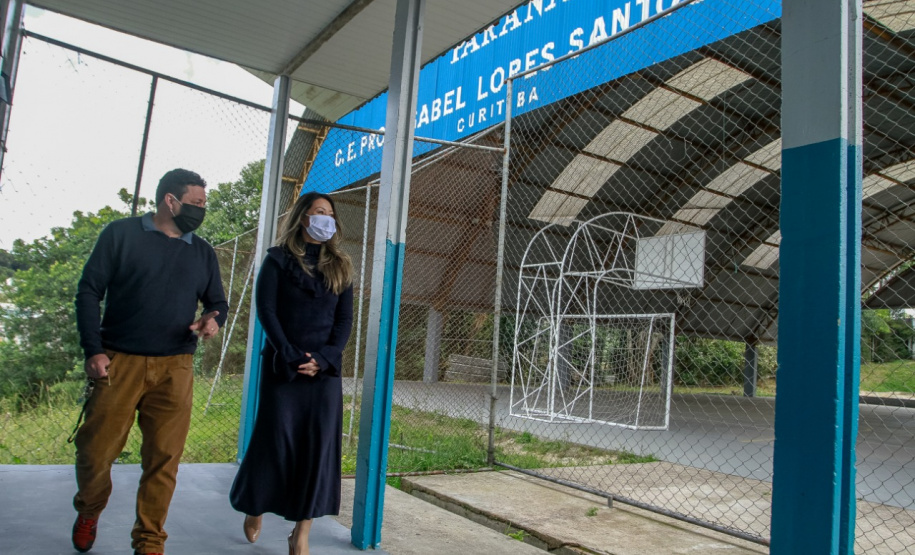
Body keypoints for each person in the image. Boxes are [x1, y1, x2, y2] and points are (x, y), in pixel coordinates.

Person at [71, 168, 229, 555]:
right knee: (95, 453)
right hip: (118, 363)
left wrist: (212, 321)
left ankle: (149, 541)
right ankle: (89, 509)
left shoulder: (202, 251)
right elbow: (89, 291)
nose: (201, 211)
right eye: (196, 203)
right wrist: (94, 350)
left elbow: (218, 303)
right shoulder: (120, 234)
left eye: (204, 204)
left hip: (175, 367)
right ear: (169, 201)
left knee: (164, 460)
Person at [229, 191, 354, 555]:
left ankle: (302, 530)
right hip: (284, 368)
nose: (325, 219)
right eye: (318, 212)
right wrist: (290, 353)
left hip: (324, 373)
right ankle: (255, 506)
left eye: (329, 214)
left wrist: (325, 358)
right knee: (276, 443)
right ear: (303, 218)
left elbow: (344, 322)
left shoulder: (341, 265)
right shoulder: (277, 260)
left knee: (317, 449)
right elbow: (267, 311)